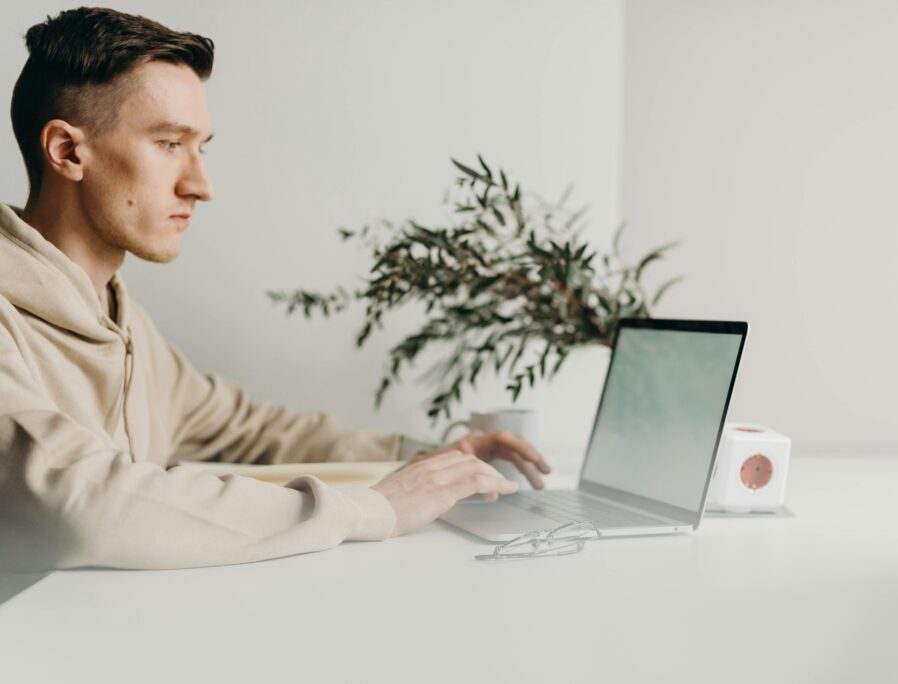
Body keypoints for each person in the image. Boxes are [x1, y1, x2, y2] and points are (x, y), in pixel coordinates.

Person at [0, 7, 550, 571]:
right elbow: (90, 508)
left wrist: (424, 457)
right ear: (68, 152)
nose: (201, 185)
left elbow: (250, 429)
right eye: (168, 143)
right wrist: (371, 509)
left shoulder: (122, 320)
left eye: (201, 148)